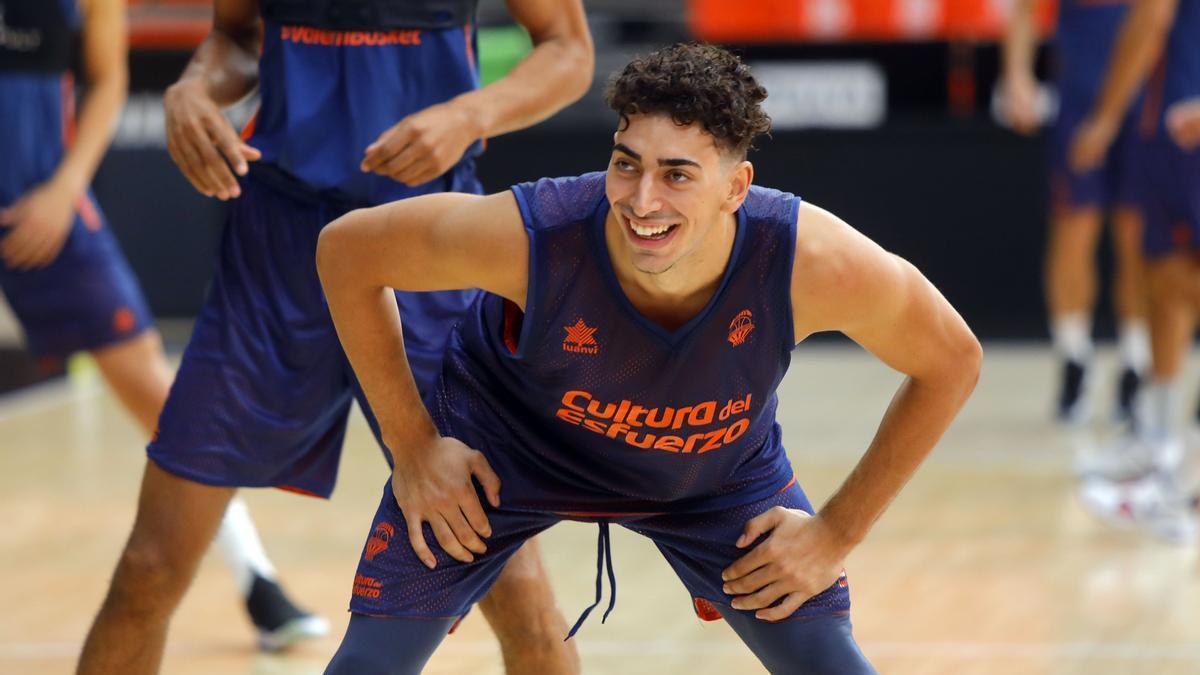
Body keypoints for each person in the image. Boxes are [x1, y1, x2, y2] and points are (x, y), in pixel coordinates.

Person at [317, 43, 982, 673]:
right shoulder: (535, 236)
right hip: (505, 452)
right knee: (368, 663)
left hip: (712, 476)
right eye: (626, 163)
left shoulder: (812, 262)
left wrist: (836, 531)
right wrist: (411, 444)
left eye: (677, 175)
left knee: (830, 662)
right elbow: (347, 252)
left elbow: (952, 359)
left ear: (735, 186)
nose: (641, 200)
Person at [76, 0, 594, 672]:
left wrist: (472, 113)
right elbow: (237, 35)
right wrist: (193, 88)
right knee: (149, 566)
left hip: (424, 242)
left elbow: (570, 49)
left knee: (517, 590)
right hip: (277, 251)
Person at [0, 0, 325, 651]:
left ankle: (257, 578)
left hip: (40, 200)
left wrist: (66, 188)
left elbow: (109, 80)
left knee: (163, 402)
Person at [1070, 0, 1200, 544]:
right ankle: (1166, 445)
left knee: (1175, 279)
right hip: (1172, 113)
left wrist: (1103, 117)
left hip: (1181, 117)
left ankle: (1181, 485)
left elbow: (1148, 17)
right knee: (1167, 282)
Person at [1002, 0, 1150, 426]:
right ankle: (1073, 358)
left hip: (1143, 104)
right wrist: (1018, 76)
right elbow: (1026, 12)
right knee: (1074, 231)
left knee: (1137, 238)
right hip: (1080, 100)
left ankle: (1136, 365)